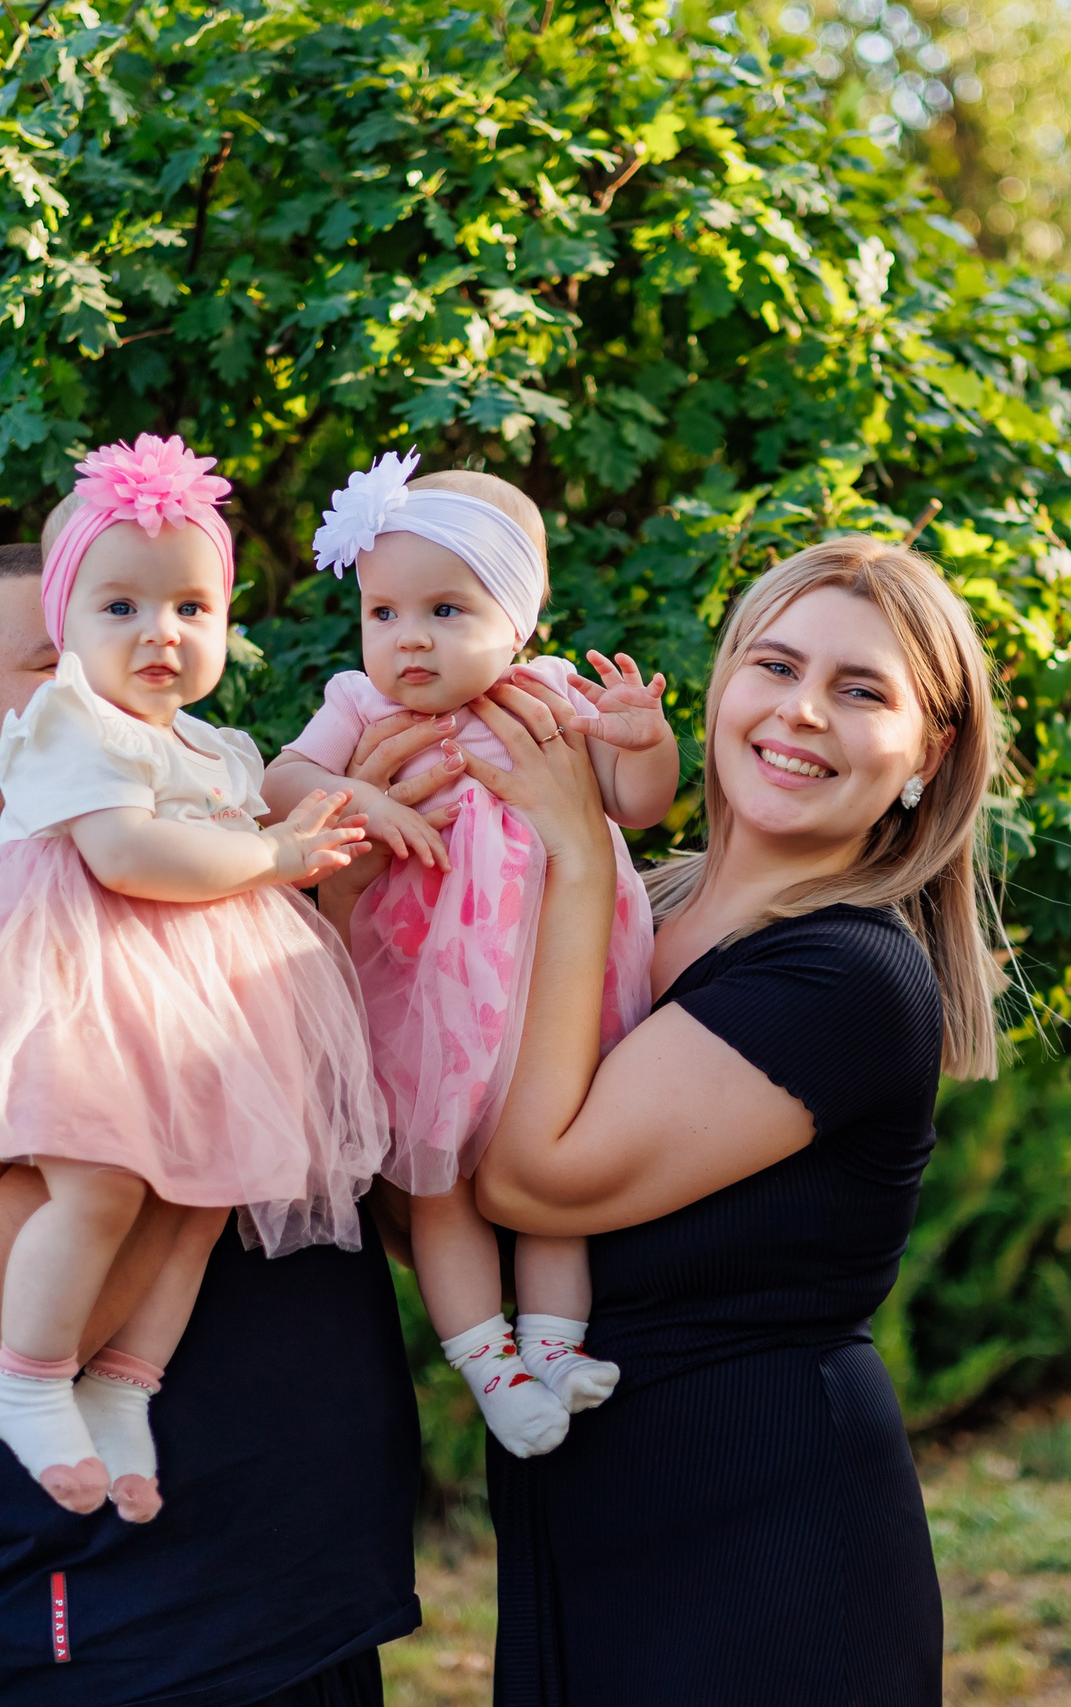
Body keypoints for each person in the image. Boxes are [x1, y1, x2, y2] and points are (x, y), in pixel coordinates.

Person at [0, 540, 420, 1707]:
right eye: (54, 657)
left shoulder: (219, 910)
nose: (110, 676)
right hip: (97, 1633)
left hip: (307, 1604)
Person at [369, 535, 1003, 1704]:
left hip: (762, 1557)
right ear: (721, 687)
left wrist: (570, 854)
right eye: (773, 666)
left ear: (929, 753)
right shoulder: (633, 913)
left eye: (861, 691)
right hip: (589, 1529)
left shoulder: (845, 978)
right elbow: (440, 1181)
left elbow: (532, 1184)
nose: (801, 711)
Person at [0, 435, 379, 1524]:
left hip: (203, 999)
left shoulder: (213, 745)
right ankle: (32, 1376)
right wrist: (277, 855)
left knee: (205, 1194)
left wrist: (312, 829)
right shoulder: (76, 724)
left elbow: (237, 830)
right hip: (89, 983)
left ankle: (125, 1385)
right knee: (98, 1180)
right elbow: (130, 858)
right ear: (67, 629)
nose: (161, 633)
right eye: (117, 611)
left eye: (193, 608)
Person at [266, 450, 679, 1460]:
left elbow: (637, 806)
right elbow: (282, 779)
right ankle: (488, 1364)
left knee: (551, 1177)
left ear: (518, 621)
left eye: (447, 611)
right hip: (423, 994)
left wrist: (640, 740)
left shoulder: (547, 697)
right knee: (439, 1180)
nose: (409, 640)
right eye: (384, 614)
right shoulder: (363, 711)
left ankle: (556, 1345)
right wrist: (355, 796)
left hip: (551, 991)